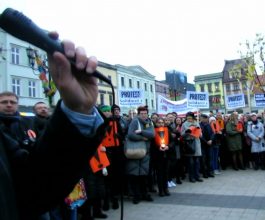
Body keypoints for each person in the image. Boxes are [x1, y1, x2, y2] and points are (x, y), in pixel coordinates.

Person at [0, 32, 107, 220]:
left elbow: (35, 185)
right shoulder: (31, 122)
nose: (9, 105)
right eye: (4, 102)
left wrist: (78, 110)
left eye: (12, 101)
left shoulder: (22, 125)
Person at [125, 105, 155, 204]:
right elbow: (131, 134)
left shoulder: (149, 122)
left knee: (143, 175)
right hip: (135, 151)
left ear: (147, 114)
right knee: (134, 176)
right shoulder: (135, 121)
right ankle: (136, 196)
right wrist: (142, 138)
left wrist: (141, 131)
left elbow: (152, 135)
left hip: (145, 152)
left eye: (145, 113)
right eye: (141, 113)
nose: (143, 115)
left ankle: (144, 194)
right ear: (138, 114)